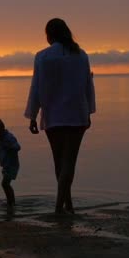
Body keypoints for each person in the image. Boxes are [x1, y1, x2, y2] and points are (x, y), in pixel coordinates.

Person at [25, 18, 96, 215]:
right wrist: (89, 111)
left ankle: (60, 207)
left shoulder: (42, 57)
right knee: (69, 162)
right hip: (76, 115)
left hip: (54, 116)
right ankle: (67, 206)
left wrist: (33, 115)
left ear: (49, 34)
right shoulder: (81, 55)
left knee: (59, 162)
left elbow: (36, 87)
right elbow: (87, 85)